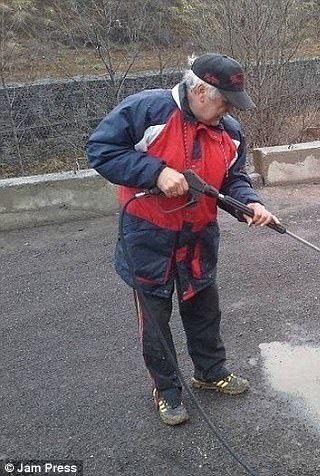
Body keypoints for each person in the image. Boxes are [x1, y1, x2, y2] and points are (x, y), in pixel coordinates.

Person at [86, 53, 277, 425]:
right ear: (201, 91)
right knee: (155, 322)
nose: (228, 111)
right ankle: (167, 390)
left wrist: (250, 204)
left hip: (198, 237)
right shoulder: (146, 111)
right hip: (147, 238)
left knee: (205, 311)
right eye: (224, 101)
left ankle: (210, 372)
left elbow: (232, 180)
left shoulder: (230, 131)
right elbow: (101, 150)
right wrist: (155, 172)